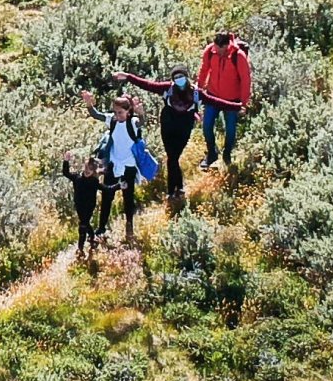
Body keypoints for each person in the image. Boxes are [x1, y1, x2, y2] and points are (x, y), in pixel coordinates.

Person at [116, 65, 202, 200]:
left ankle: (175, 190)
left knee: (173, 158)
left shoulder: (196, 93)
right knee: (172, 158)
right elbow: (147, 85)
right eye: (176, 77)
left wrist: (236, 106)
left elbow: (217, 102)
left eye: (181, 76)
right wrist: (128, 76)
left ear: (187, 77)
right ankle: (175, 190)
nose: (179, 79)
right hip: (167, 127)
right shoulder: (168, 88)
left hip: (184, 130)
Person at [80, 88, 146, 244]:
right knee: (107, 196)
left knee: (128, 197)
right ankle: (102, 228)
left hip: (128, 166)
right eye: (115, 112)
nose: (117, 115)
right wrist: (89, 103)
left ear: (128, 112)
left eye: (120, 112)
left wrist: (141, 113)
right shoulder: (112, 120)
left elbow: (141, 122)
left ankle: (129, 226)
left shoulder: (132, 122)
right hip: (113, 164)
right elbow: (96, 115)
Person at [196, 27, 252, 166]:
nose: (219, 52)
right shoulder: (210, 51)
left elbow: (245, 81)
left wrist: (243, 103)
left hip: (232, 100)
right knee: (207, 126)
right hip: (212, 96)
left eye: (222, 49)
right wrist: (198, 89)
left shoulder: (238, 56)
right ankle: (212, 153)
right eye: (217, 48)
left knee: (230, 129)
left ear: (228, 44)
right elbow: (204, 70)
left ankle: (227, 154)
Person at [61, 151, 103, 257]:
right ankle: (92, 236)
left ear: (93, 171)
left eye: (90, 169)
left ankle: (80, 248)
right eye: (87, 168)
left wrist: (119, 186)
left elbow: (106, 189)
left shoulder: (94, 181)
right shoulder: (77, 178)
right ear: (84, 167)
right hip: (79, 206)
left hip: (89, 207)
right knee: (85, 223)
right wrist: (66, 161)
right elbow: (66, 173)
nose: (88, 171)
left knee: (83, 225)